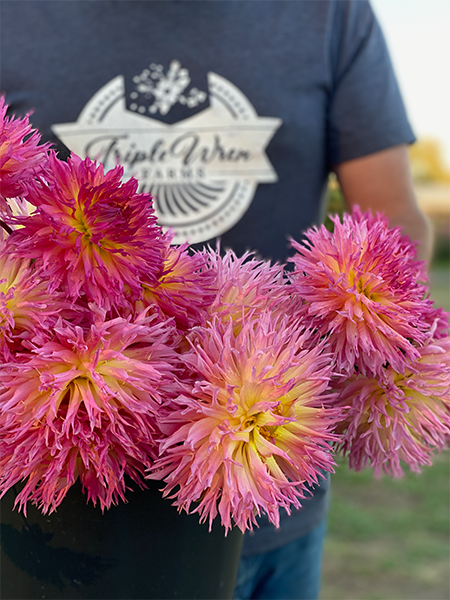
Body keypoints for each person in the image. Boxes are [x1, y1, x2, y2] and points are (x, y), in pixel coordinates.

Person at [0, 1, 432, 599]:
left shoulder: (330, 13)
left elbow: (393, 214)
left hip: (273, 497)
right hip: (62, 538)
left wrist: (389, 338)